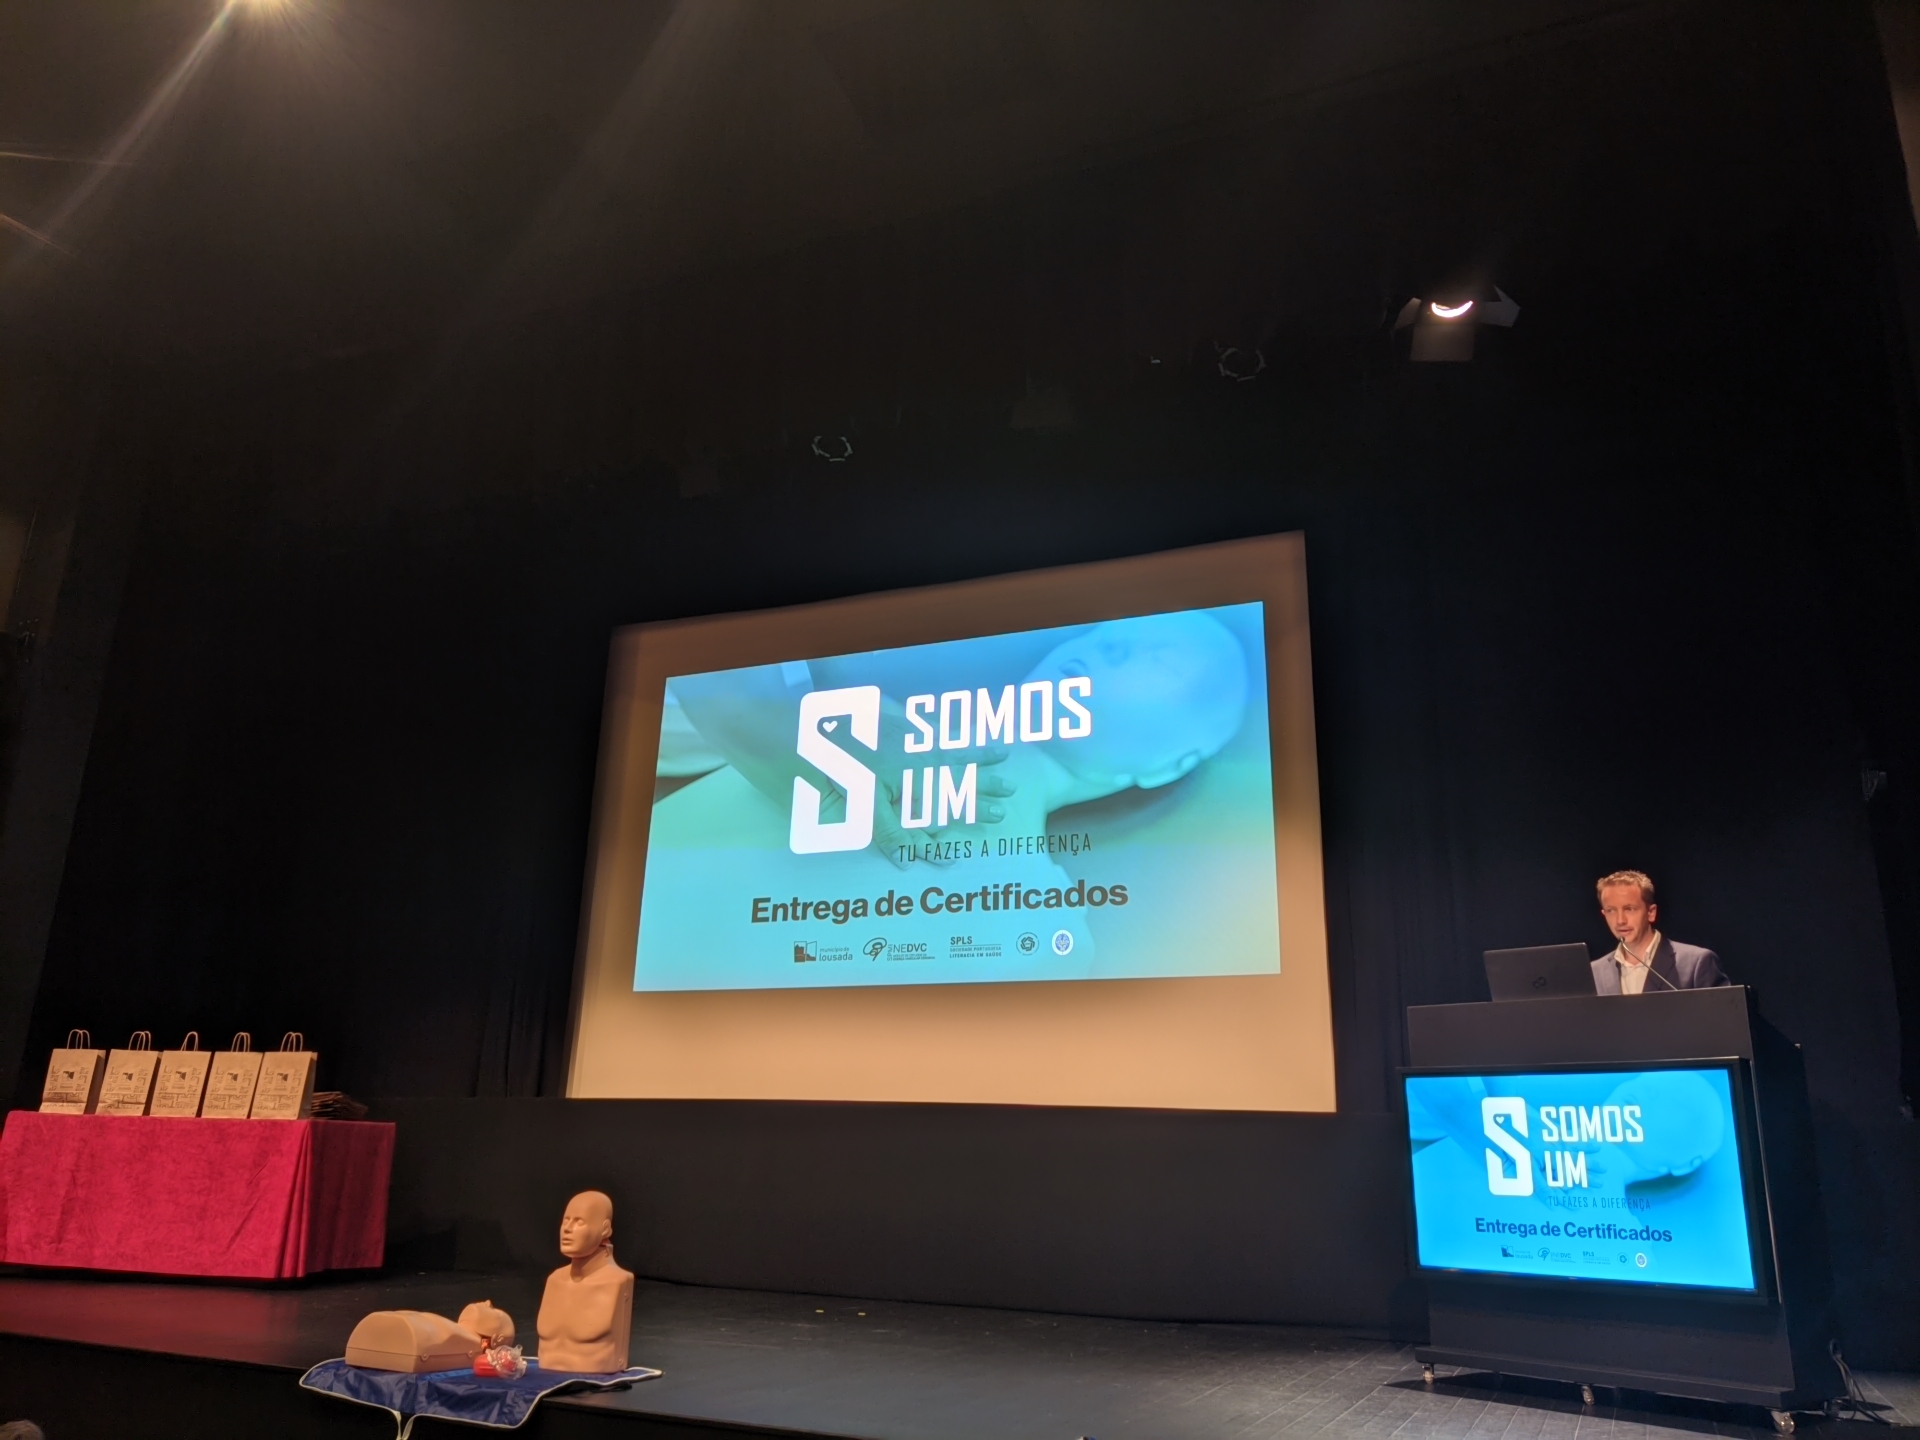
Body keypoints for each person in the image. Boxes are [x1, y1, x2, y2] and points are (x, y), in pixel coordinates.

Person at [1591, 869, 1727, 994]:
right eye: (1611, 910)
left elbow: (1722, 1012)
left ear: (1651, 912)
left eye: (1629, 909)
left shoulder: (1697, 964)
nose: (1620, 920)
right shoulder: (1594, 972)